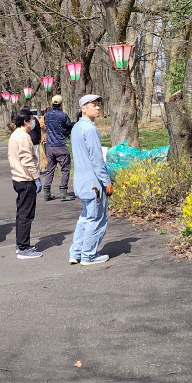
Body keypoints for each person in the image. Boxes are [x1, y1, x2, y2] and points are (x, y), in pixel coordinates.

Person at [69, 94, 113, 266]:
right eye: (93, 105)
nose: (97, 108)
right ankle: (88, 255)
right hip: (93, 183)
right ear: (83, 108)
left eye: (97, 105)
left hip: (80, 180)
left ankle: (76, 252)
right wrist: (107, 181)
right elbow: (96, 159)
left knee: (86, 217)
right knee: (97, 219)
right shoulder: (90, 129)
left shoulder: (76, 127)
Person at [8, 111, 43, 259]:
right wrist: (36, 177)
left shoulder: (16, 134)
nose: (34, 122)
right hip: (25, 179)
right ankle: (23, 247)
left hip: (18, 178)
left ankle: (21, 244)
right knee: (26, 214)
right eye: (31, 120)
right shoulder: (23, 137)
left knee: (22, 213)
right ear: (25, 121)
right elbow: (27, 159)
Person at [42, 95, 74, 202]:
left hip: (49, 146)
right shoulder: (63, 115)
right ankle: (63, 193)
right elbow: (69, 126)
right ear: (61, 104)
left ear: (52, 103)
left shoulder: (47, 115)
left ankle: (46, 192)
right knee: (65, 169)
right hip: (60, 146)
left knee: (50, 169)